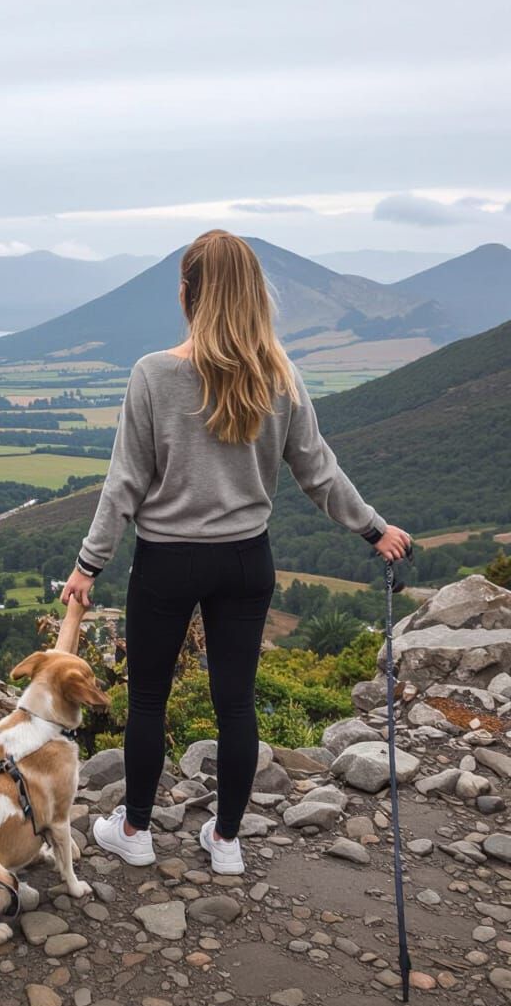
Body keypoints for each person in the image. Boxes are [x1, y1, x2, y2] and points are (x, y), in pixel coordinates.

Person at [61, 229, 411, 873]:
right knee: (237, 704)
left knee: (147, 701)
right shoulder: (278, 373)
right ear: (253, 295)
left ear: (188, 293)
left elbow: (125, 484)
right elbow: (319, 472)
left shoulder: (154, 374)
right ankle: (226, 842)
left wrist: (89, 565)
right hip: (247, 561)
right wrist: (373, 529)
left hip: (167, 562)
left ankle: (135, 832)